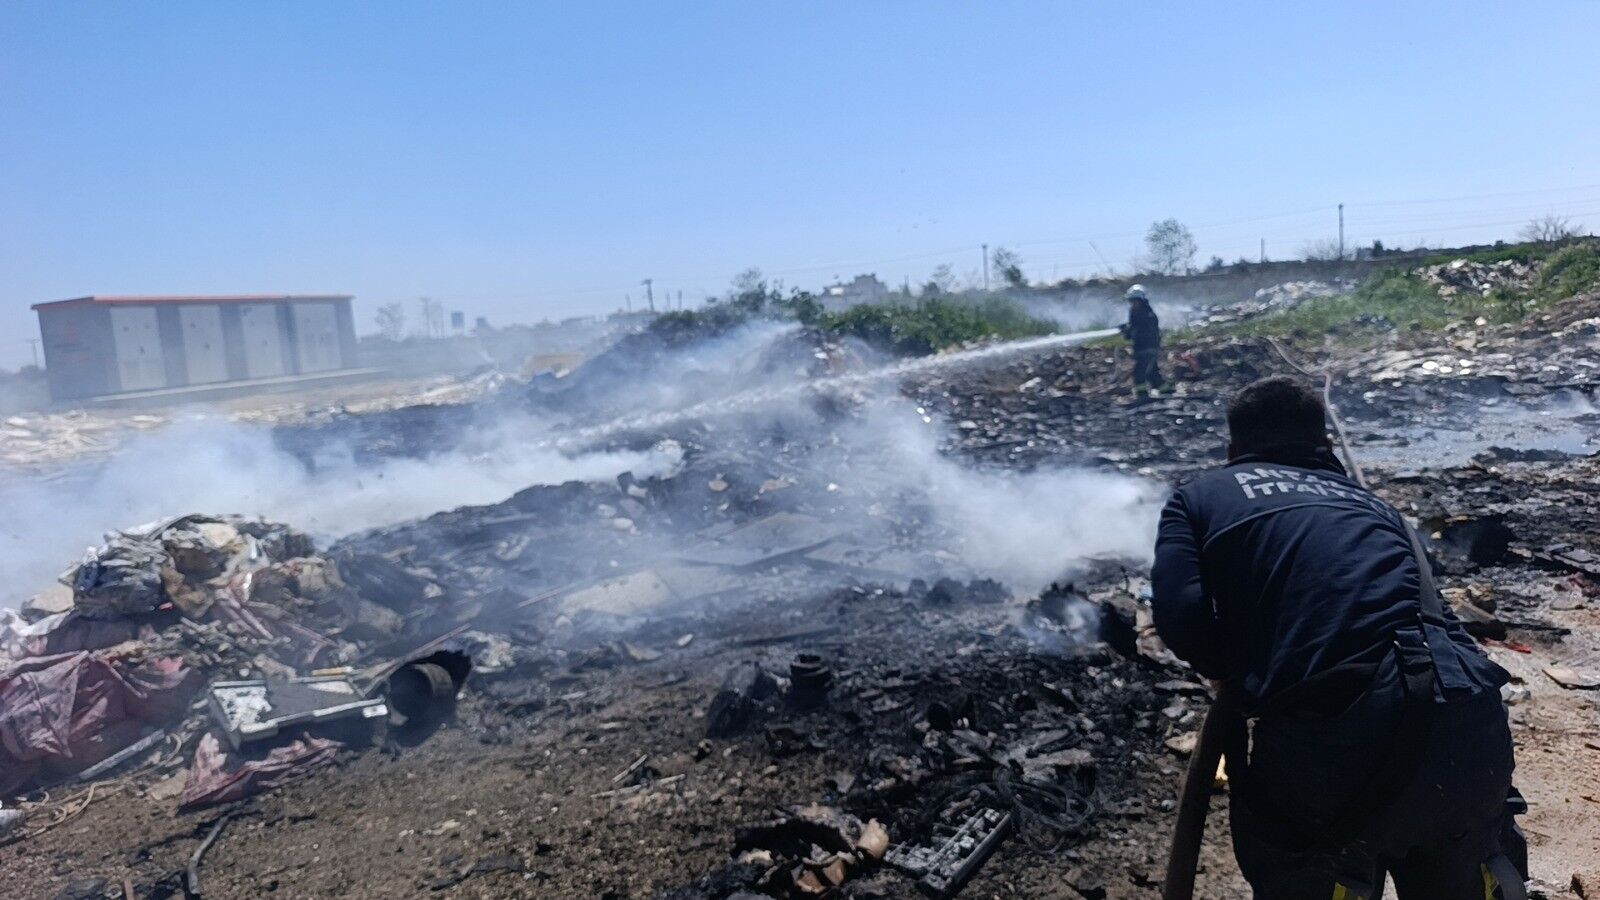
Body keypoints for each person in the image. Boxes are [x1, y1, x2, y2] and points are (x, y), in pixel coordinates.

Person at [1151, 376, 1525, 900]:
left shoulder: (1199, 497)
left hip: (1334, 744)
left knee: (1316, 865)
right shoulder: (1376, 508)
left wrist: (1230, 677)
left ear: (1234, 450)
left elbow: (1180, 611)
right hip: (1469, 726)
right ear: (1325, 446)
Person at [1118, 284, 1163, 400]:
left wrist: (1128, 330)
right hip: (1143, 349)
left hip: (1148, 349)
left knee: (1139, 374)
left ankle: (1142, 398)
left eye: (1134, 301)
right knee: (1153, 375)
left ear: (1141, 301)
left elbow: (1140, 331)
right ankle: (1167, 390)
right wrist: (1127, 329)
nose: (1132, 304)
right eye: (1130, 301)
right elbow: (1132, 333)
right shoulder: (1137, 314)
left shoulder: (1146, 315)